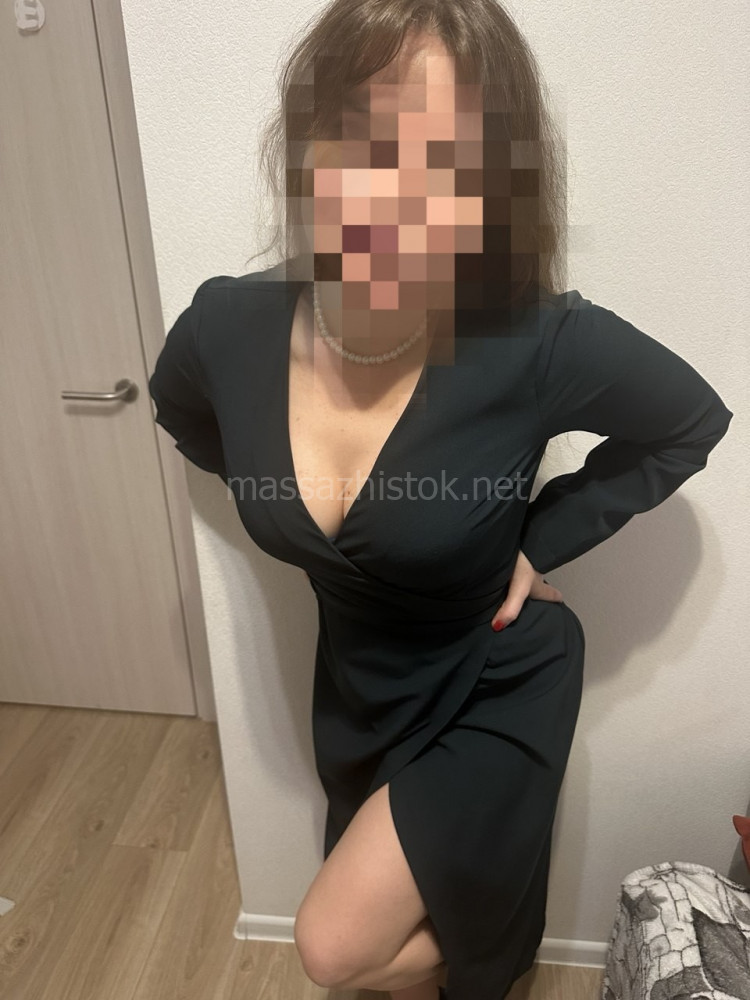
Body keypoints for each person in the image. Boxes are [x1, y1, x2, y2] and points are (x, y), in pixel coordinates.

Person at [147, 2, 734, 998]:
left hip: (497, 673)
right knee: (398, 935)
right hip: (359, 691)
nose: (394, 194)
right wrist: (272, 486)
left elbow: (689, 422)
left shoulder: (535, 339)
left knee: (334, 946)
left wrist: (538, 538)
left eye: (447, 163)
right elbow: (184, 414)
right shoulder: (226, 329)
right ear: (306, 140)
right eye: (364, 136)